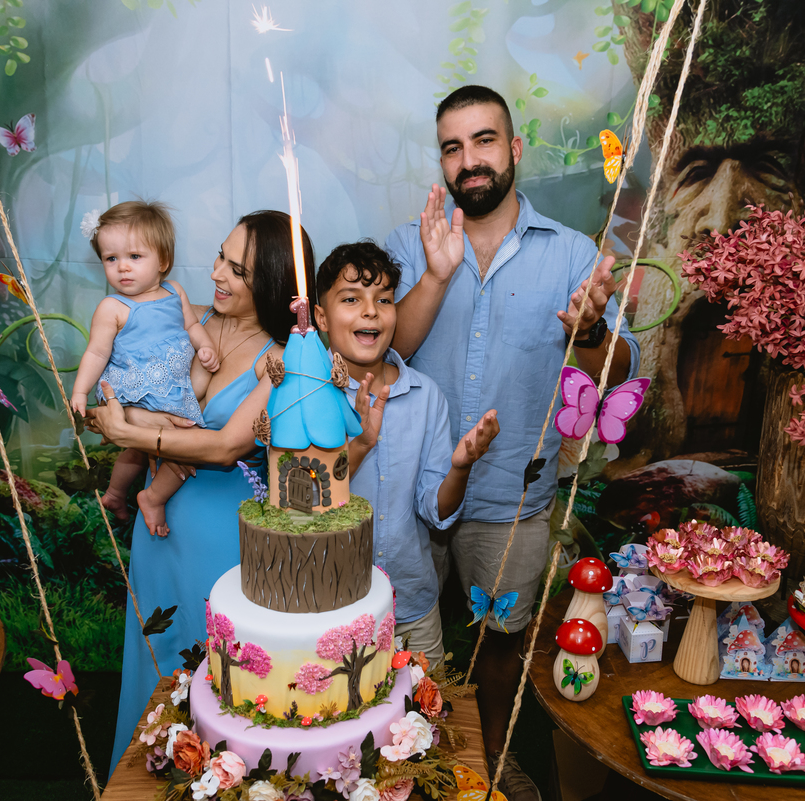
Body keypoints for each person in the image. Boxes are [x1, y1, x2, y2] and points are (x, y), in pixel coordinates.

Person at [385, 84, 638, 801]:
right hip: (409, 494)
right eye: (453, 147)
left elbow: (620, 368)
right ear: (441, 160)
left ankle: (494, 757)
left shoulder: (571, 253)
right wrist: (435, 276)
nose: (469, 160)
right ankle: (408, 768)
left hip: (512, 495)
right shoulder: (409, 244)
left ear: (515, 149)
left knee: (503, 643)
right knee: (399, 642)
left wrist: (589, 330)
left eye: (484, 140)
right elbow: (387, 348)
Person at [86, 210, 314, 776]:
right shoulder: (188, 320)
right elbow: (125, 382)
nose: (216, 273)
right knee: (155, 661)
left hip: (225, 544)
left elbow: (226, 446)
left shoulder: (283, 356)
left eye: (237, 269)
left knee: (218, 683)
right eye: (220, 256)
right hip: (159, 533)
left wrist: (131, 433)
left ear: (272, 283)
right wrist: (118, 411)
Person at [315, 240, 500, 667]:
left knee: (423, 709)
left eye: (384, 299)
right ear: (321, 317)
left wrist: (460, 468)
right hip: (329, 607)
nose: (370, 311)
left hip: (411, 607)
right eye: (351, 299)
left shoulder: (425, 395)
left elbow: (435, 510)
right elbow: (302, 508)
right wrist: (360, 445)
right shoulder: (306, 392)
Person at [72, 201, 219, 538]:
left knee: (147, 449)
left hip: (171, 386)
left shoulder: (174, 291)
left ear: (162, 261)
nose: (122, 267)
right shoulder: (112, 307)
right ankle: (152, 498)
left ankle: (116, 494)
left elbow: (191, 325)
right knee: (173, 446)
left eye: (135, 256)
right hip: (135, 386)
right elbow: (96, 352)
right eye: (111, 259)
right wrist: (80, 390)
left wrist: (205, 345)